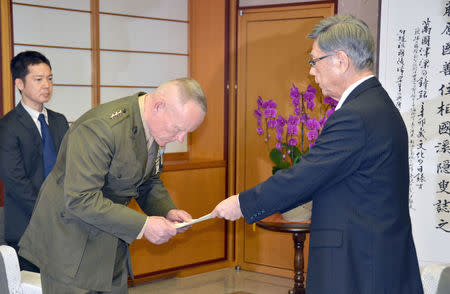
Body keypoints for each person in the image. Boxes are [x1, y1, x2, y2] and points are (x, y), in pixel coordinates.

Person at [212, 15, 424, 293]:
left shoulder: (355, 116)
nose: (311, 72)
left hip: (358, 262)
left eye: (314, 61)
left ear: (341, 60)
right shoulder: (378, 105)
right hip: (375, 256)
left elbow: (306, 176)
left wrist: (242, 203)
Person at [18, 77, 207, 293]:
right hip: (70, 245)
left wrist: (167, 210)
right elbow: (81, 199)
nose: (181, 139)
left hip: (111, 239)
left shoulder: (155, 129)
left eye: (187, 132)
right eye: (178, 129)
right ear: (158, 106)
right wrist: (144, 225)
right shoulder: (102, 128)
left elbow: (147, 181)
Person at [0, 51, 69, 273]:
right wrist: (49, 212)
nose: (46, 85)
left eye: (49, 78)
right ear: (19, 83)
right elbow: (15, 182)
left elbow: (68, 168)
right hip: (26, 226)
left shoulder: (59, 121)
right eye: (38, 79)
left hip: (63, 223)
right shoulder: (7, 126)